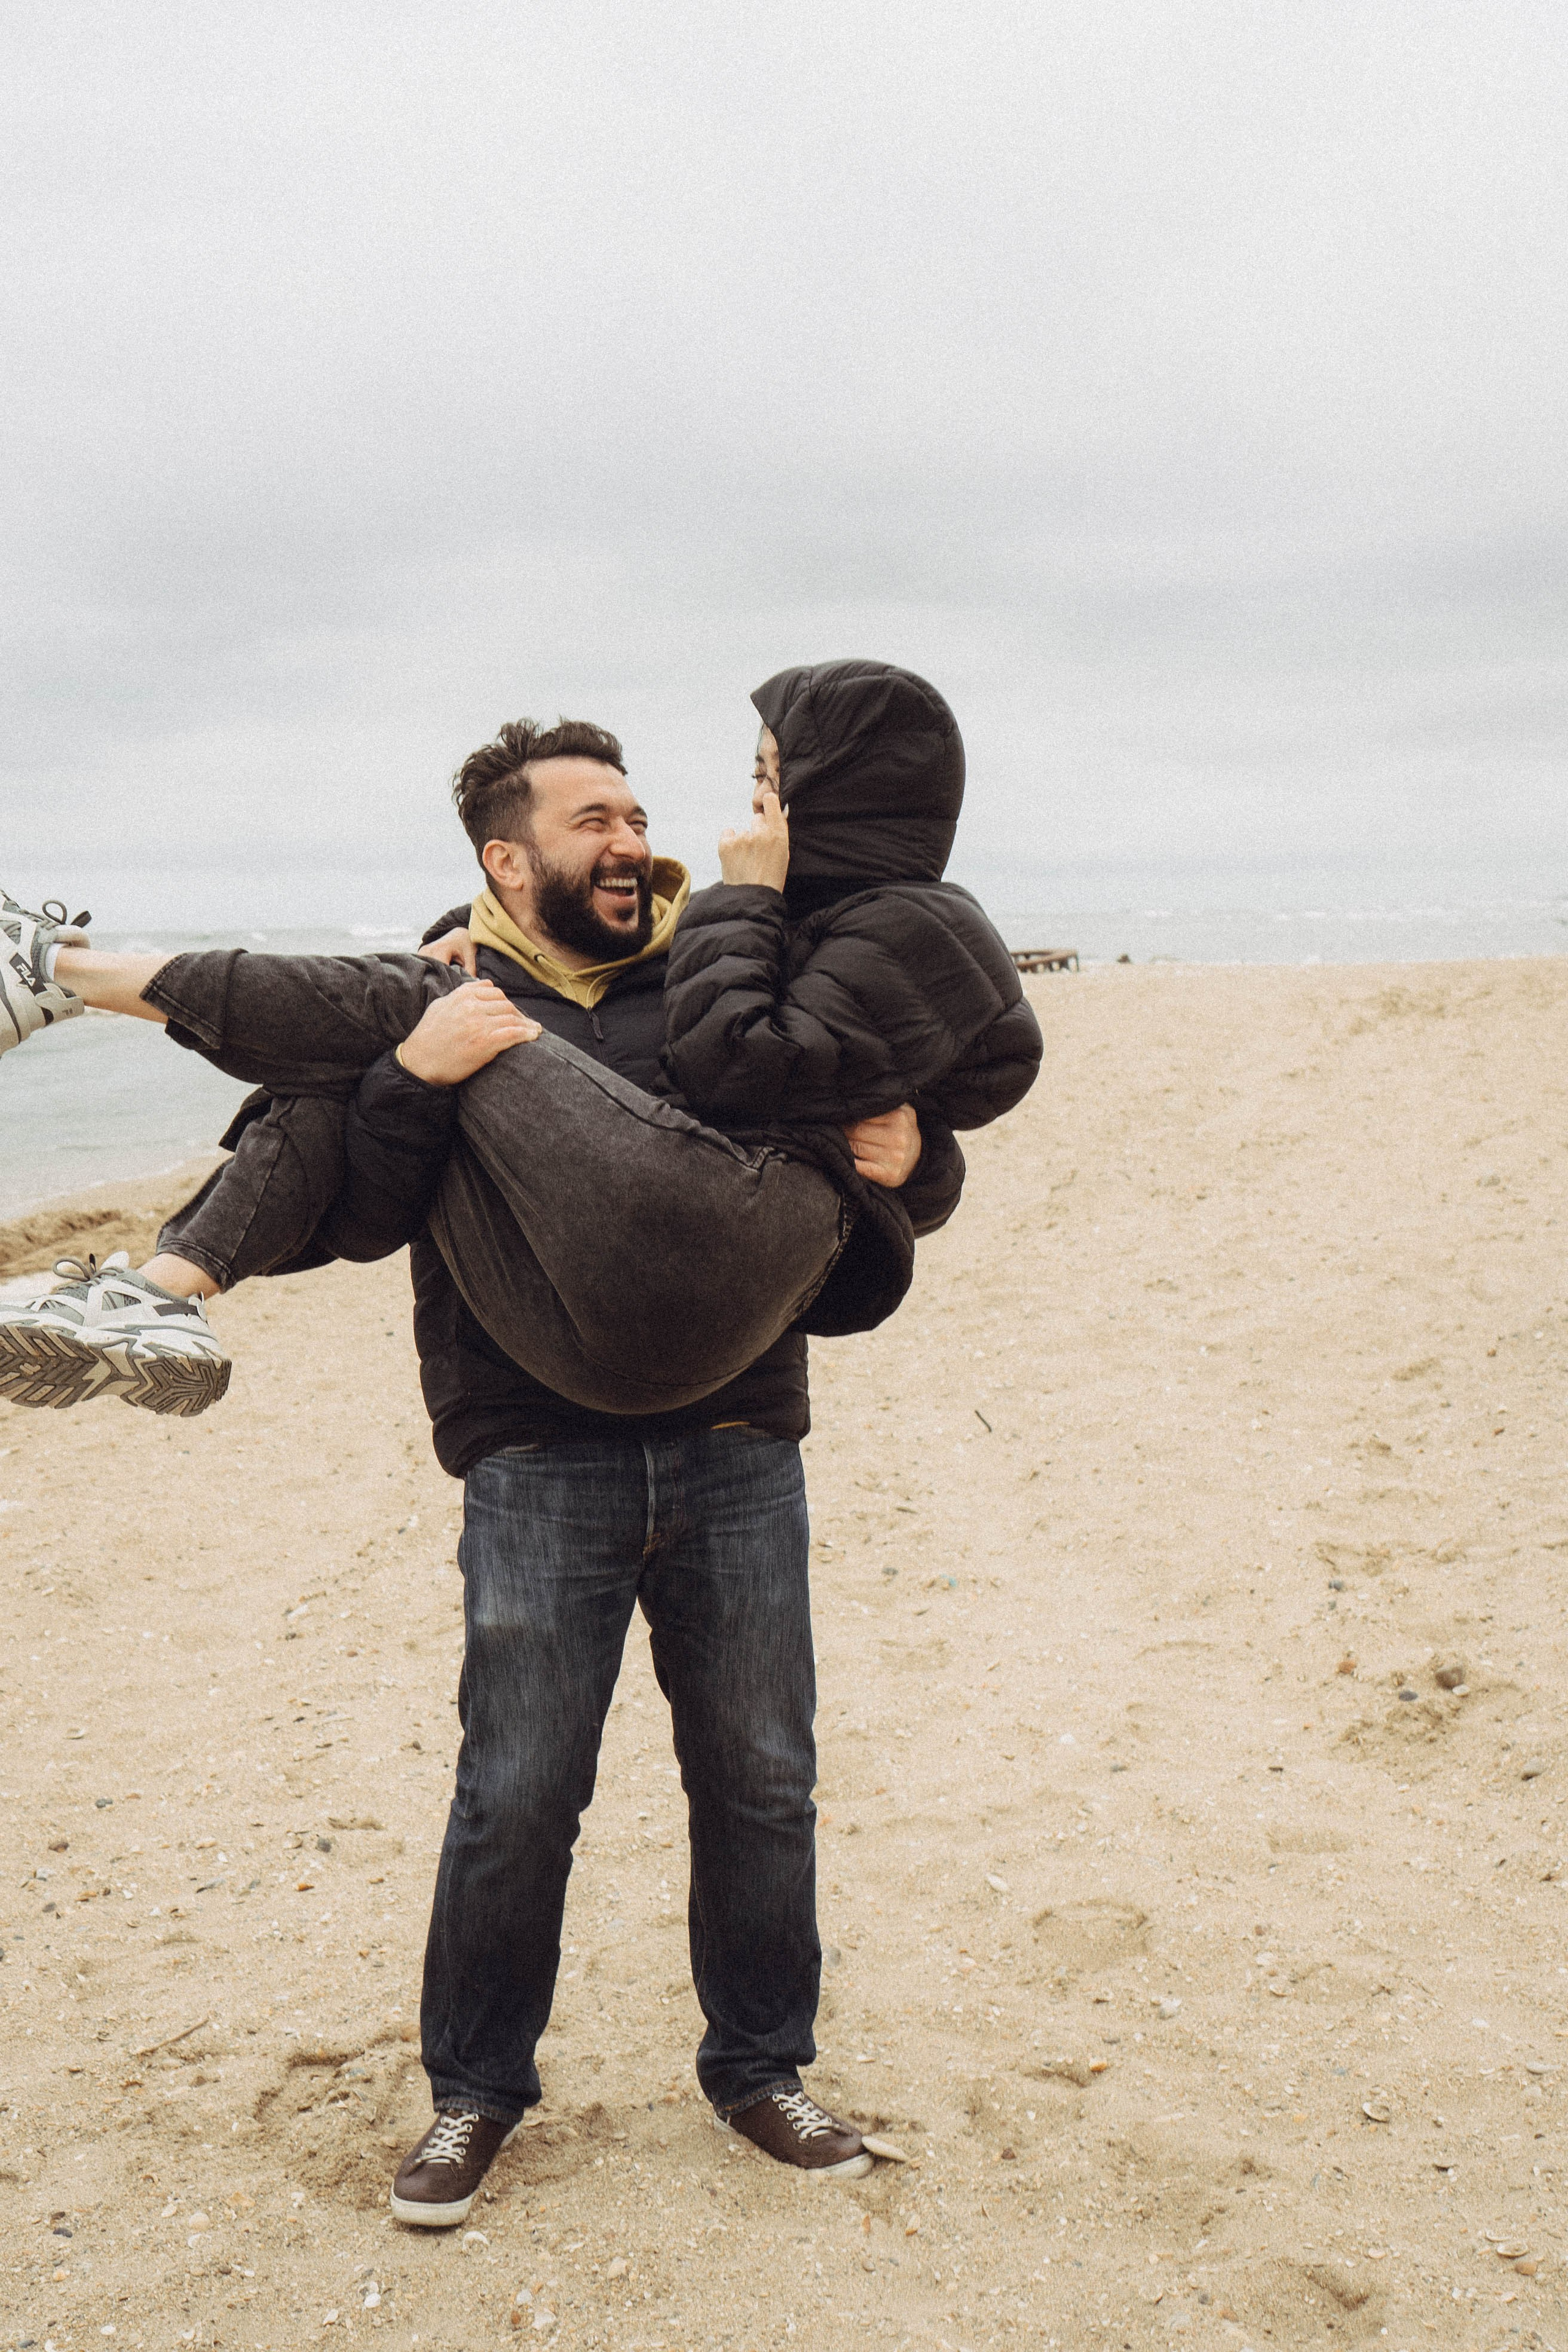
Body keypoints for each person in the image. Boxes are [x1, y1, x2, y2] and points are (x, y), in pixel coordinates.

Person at [0, 661, 1042, 2220]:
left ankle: (760, 2067)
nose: (632, 842)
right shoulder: (457, 986)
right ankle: (474, 2098)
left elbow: (856, 1106)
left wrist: (922, 1153)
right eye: (592, 822)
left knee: (759, 1777)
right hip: (534, 1448)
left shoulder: (717, 975)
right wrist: (416, 1083)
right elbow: (360, 1214)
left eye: (637, 813)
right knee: (516, 1790)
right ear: (508, 861)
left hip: (738, 1432)